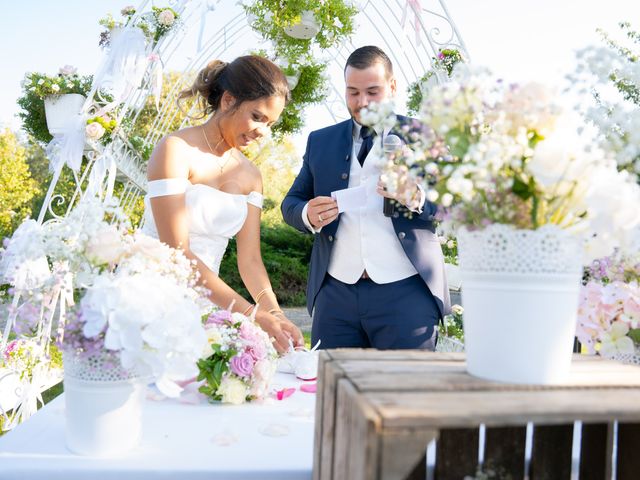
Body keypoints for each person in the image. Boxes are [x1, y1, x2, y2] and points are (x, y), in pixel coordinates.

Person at [281, 46, 450, 350]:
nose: (362, 103)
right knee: (331, 391)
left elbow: (452, 203)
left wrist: (417, 196)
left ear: (393, 86)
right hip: (335, 295)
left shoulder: (422, 134)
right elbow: (291, 202)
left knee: (401, 393)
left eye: (373, 91)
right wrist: (307, 213)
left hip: (406, 292)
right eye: (353, 93)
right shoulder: (320, 141)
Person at [143, 55, 304, 353]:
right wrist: (251, 315)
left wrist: (275, 314)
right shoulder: (175, 150)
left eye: (270, 123)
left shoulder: (251, 176)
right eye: (257, 117)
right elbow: (176, 253)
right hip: (150, 298)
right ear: (228, 100)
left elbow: (250, 261)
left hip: (209, 304)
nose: (262, 132)